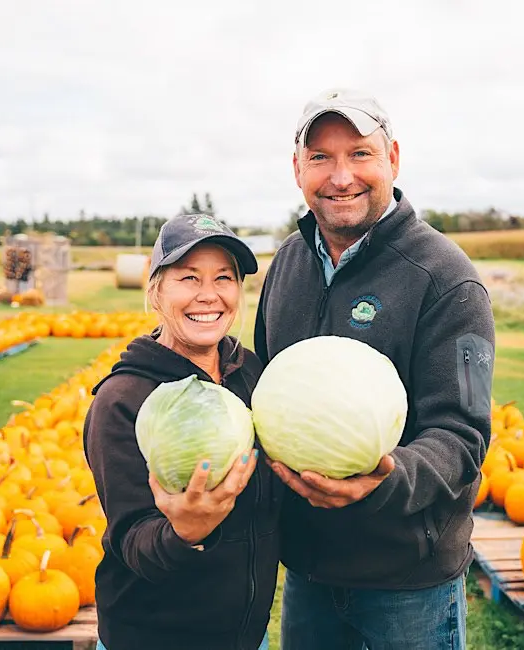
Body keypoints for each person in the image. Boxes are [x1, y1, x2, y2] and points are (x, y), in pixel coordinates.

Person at [253, 88, 496, 650]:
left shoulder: (449, 278)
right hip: (309, 569)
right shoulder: (288, 263)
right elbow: (266, 383)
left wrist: (385, 479)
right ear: (297, 169)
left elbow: (465, 434)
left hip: (407, 580)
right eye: (321, 157)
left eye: (359, 153)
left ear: (393, 158)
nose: (341, 177)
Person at [84, 213, 282, 650]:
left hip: (248, 637)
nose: (208, 296)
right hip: (150, 637)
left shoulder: (251, 375)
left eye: (224, 278)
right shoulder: (123, 399)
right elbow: (133, 538)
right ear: (156, 292)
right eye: (188, 278)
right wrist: (185, 533)